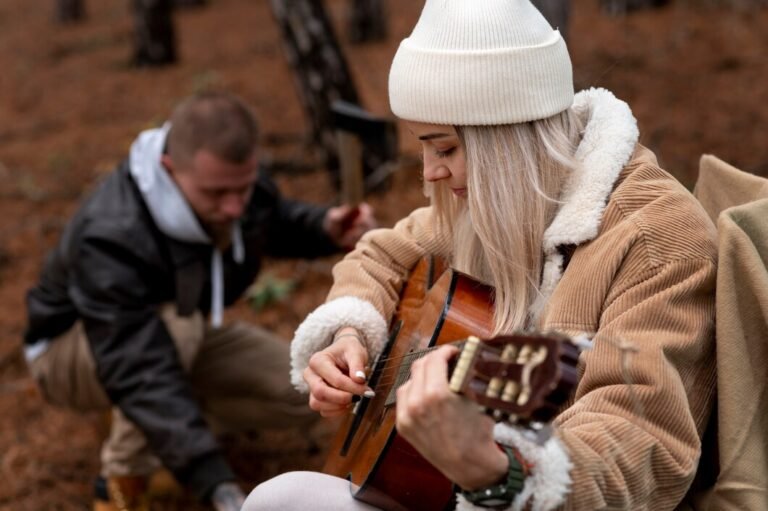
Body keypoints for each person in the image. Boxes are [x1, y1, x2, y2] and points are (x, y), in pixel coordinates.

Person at [242, 1, 718, 510]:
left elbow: (639, 440)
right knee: (278, 498)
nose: (428, 173)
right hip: (448, 492)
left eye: (445, 149)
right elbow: (381, 253)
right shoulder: (506, 204)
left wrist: (504, 474)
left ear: (505, 141)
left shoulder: (655, 238)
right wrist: (349, 332)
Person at [22, 91, 376, 511]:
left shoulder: (233, 182)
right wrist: (217, 484)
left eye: (241, 189)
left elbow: (270, 217)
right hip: (73, 352)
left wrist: (322, 227)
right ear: (169, 168)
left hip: (170, 339)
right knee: (177, 328)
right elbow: (137, 366)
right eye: (217, 194)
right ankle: (123, 478)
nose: (233, 206)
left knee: (306, 387)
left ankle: (174, 427)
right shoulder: (111, 233)